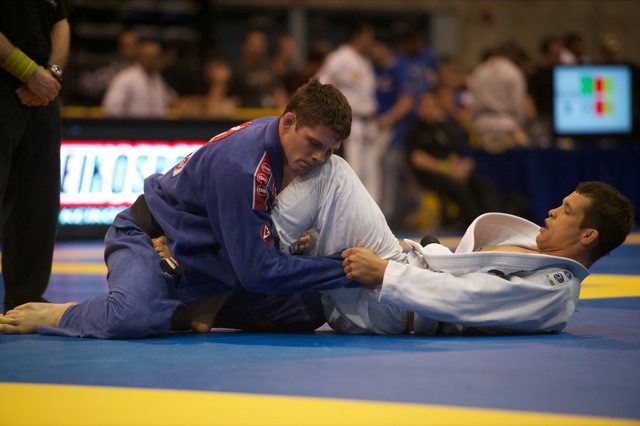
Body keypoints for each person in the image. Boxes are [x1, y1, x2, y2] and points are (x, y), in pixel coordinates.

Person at [0, 78, 353, 338]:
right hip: (150, 236)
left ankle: (184, 311)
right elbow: (258, 271)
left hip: (202, 258)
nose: (320, 158)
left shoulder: (287, 151)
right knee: (131, 316)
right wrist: (350, 267)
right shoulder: (245, 166)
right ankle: (66, 314)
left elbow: (259, 241)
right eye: (314, 144)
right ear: (288, 122)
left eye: (330, 150)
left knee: (308, 308)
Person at [273, 169, 634, 335]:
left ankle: (258, 244)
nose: (554, 211)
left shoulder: (555, 290)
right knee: (309, 235)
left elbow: (470, 297)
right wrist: (427, 247)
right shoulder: (537, 248)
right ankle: (255, 251)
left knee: (331, 175)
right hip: (394, 289)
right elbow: (463, 274)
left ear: (588, 236)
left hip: (394, 306)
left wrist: (385, 272)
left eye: (567, 211)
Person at [0, 0, 72, 313]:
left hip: (43, 92)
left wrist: (50, 76)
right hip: (7, 84)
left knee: (37, 200)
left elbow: (61, 21)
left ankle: (24, 299)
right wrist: (28, 72)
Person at [404, 91, 501, 231]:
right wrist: (446, 169)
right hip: (429, 175)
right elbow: (418, 159)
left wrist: (459, 167)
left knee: (481, 184)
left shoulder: (440, 128)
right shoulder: (415, 130)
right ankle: (473, 226)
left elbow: (450, 153)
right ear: (419, 109)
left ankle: (494, 223)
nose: (429, 109)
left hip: (449, 171)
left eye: (432, 105)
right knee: (457, 188)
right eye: (426, 106)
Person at [316, 21, 386, 205]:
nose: (371, 41)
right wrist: (335, 112)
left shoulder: (364, 60)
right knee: (354, 171)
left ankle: (374, 218)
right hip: (350, 124)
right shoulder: (339, 58)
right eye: (368, 37)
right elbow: (320, 84)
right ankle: (352, 217)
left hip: (368, 123)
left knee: (372, 175)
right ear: (358, 36)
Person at [468, 42, 529, 154]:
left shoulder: (479, 71)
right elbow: (518, 105)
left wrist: (475, 122)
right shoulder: (514, 72)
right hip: (507, 126)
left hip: (481, 126)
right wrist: (520, 125)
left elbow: (473, 103)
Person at [102, 40, 175, 118]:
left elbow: (168, 100)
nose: (158, 61)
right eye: (155, 57)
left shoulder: (157, 79)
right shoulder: (126, 78)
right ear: (144, 58)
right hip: (132, 127)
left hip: (156, 127)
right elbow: (112, 108)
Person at [229, 29, 289, 109]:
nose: (258, 49)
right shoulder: (236, 71)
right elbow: (233, 100)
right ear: (244, 46)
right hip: (248, 116)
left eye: (261, 45)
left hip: (270, 116)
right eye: (253, 45)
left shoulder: (271, 68)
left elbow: (279, 93)